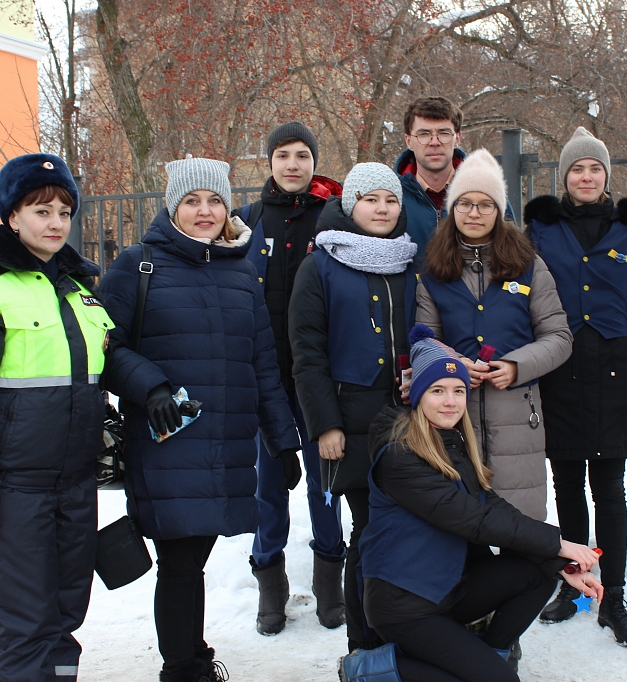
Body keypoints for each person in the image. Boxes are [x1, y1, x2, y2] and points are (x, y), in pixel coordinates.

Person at [99, 157, 301, 682]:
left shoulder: (240, 271)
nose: (205, 211)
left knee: (192, 562)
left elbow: (262, 364)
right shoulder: (138, 265)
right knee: (180, 561)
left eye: (214, 201)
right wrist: (151, 385)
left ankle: (193, 659)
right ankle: (183, 668)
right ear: (173, 208)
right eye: (192, 201)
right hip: (167, 441)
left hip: (226, 443)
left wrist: (283, 441)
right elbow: (103, 346)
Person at [0, 153, 111, 682]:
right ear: (11, 216)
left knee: (64, 618)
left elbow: (104, 363)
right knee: (23, 624)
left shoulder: (77, 288)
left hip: (74, 486)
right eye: (41, 211)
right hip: (15, 491)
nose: (56, 223)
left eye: (64, 212)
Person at [339, 325, 603, 682]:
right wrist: (558, 543)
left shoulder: (451, 440)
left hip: (448, 588)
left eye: (458, 390)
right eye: (438, 390)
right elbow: (471, 518)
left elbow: (488, 503)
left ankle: (488, 658)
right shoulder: (399, 454)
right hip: (405, 604)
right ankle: (365, 671)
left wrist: (558, 561)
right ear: (417, 394)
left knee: (537, 575)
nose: (450, 401)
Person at [522, 127, 627, 647]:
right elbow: (520, 296)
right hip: (559, 371)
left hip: (613, 373)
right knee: (567, 485)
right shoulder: (539, 231)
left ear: (606, 175)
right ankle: (573, 586)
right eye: (576, 169)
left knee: (610, 489)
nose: (585, 176)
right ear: (564, 176)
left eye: (594, 168)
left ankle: (613, 596)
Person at [289, 162, 419, 652]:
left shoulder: (410, 262)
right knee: (369, 531)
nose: (382, 209)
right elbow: (307, 352)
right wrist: (325, 425)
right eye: (370, 199)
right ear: (350, 205)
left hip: (410, 420)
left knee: (409, 529)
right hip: (351, 421)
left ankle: (404, 634)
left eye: (390, 200)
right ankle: (363, 644)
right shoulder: (321, 264)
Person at [232, 121, 347, 636]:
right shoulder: (248, 220)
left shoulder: (334, 217)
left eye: (302, 154)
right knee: (269, 484)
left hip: (319, 376)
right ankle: (269, 583)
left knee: (326, 483)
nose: (293, 164)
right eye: (283, 155)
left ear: (313, 161)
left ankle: (330, 582)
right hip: (266, 379)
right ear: (270, 162)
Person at [417, 149, 573, 521]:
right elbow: (424, 340)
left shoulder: (529, 266)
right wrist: (454, 364)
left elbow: (559, 336)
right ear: (452, 208)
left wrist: (517, 366)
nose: (474, 213)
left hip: (518, 414)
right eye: (465, 203)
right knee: (463, 521)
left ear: (499, 211)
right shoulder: (433, 271)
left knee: (520, 522)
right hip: (455, 413)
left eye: (485, 204)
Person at [393, 96, 467, 256]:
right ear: (408, 141)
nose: (434, 142)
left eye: (444, 133)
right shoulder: (389, 197)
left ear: (457, 139)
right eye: (424, 134)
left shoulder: (485, 192)